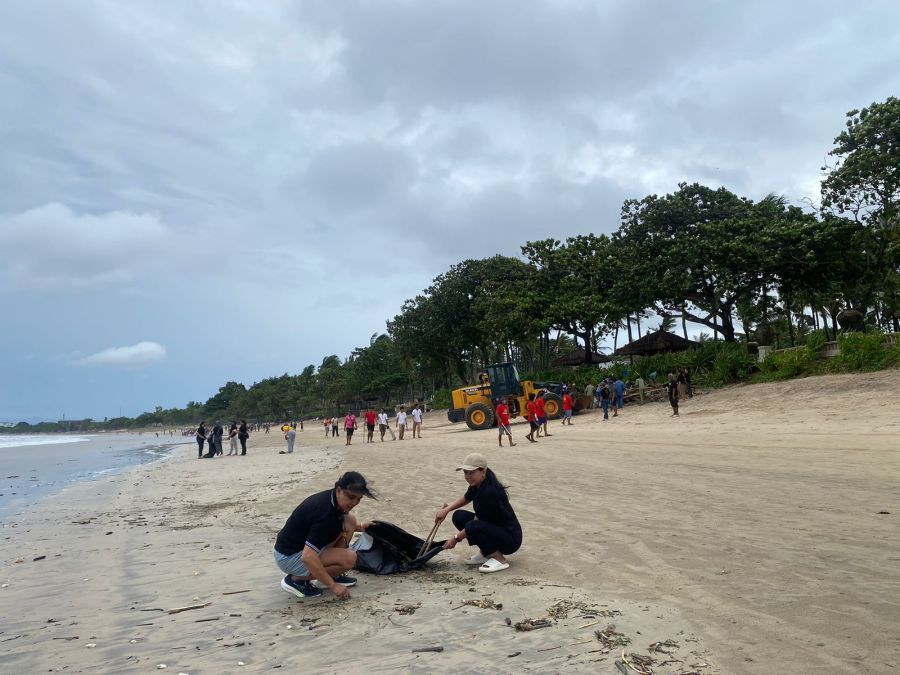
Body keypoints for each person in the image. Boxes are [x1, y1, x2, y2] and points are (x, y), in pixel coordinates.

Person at [274, 471, 376, 600]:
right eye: (351, 497)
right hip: (289, 557)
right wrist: (333, 586)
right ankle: (296, 580)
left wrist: (361, 527)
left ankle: (331, 574)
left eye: (358, 499)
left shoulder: (333, 500)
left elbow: (343, 525)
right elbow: (308, 556)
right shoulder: (325, 513)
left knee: (349, 520)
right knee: (350, 558)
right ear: (339, 490)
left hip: (300, 548)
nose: (354, 503)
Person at [437, 453, 521, 574]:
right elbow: (466, 497)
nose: (468, 476)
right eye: (465, 472)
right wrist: (446, 510)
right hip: (495, 529)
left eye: (471, 472)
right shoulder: (477, 484)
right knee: (458, 516)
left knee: (472, 526)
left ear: (483, 471)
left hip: (510, 539)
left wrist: (455, 538)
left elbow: (476, 523)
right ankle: (486, 553)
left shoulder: (489, 492)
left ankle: (499, 558)